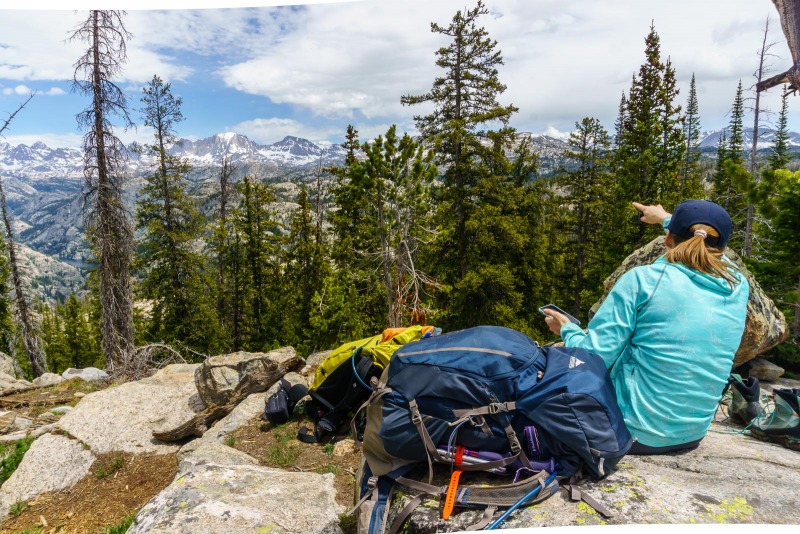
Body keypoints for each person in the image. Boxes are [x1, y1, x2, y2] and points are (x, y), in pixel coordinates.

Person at [543, 200, 749, 455]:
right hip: (691, 434)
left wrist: (567, 330)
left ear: (668, 239)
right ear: (723, 247)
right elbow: (704, 245)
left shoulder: (642, 280)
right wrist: (665, 218)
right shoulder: (738, 286)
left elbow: (594, 357)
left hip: (632, 432)